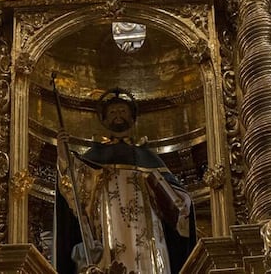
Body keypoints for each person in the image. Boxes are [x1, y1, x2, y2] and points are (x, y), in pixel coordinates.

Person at [55, 89, 194, 274]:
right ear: (104, 120)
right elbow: (74, 188)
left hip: (147, 228)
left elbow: (173, 194)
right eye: (112, 112)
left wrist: (182, 201)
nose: (117, 115)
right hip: (109, 223)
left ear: (132, 117)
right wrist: (64, 156)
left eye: (122, 111)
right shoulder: (93, 157)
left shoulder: (147, 157)